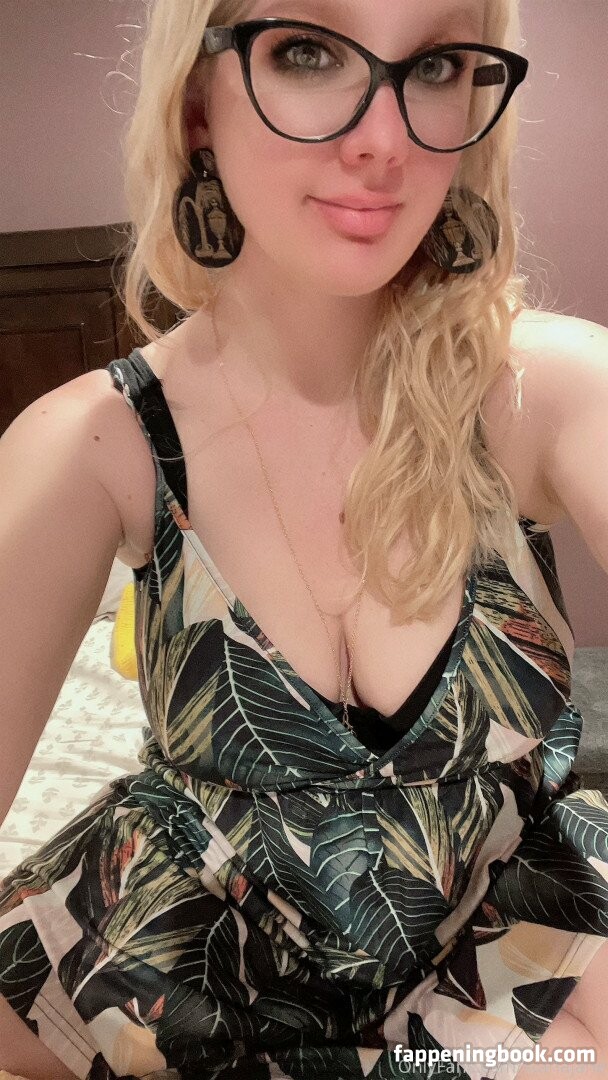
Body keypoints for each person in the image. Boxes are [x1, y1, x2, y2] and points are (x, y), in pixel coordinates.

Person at [1, 0, 608, 1077]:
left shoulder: (545, 394)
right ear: (197, 105)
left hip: (505, 964)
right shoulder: (93, 444)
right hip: (180, 972)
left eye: (436, 65)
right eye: (307, 51)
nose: (384, 139)